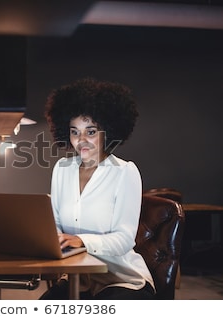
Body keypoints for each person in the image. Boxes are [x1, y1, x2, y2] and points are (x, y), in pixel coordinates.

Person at [40, 77, 155, 300]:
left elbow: (124, 239)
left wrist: (81, 241)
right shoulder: (62, 169)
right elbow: (53, 224)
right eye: (74, 132)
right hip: (77, 279)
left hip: (123, 280)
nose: (81, 140)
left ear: (107, 132)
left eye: (90, 131)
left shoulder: (125, 172)